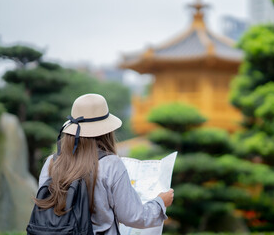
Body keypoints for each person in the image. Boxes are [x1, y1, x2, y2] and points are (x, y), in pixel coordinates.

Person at [36, 93, 174, 234]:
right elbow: (134, 216)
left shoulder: (52, 162)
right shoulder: (110, 164)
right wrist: (160, 203)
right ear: (106, 130)